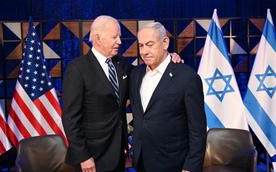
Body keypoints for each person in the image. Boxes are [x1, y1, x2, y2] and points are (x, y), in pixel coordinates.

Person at [130, 22, 207, 172]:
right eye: (141, 45)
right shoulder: (136, 74)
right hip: (141, 161)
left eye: (150, 44)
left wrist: (191, 166)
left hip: (173, 163)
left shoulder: (187, 77)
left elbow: (197, 130)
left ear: (165, 42)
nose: (144, 51)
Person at [62, 15, 130, 172]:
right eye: (115, 37)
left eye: (119, 36)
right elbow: (70, 118)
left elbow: (144, 74)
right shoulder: (77, 69)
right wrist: (83, 156)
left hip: (118, 154)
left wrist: (170, 59)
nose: (119, 41)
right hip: (92, 157)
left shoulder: (122, 65)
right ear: (98, 38)